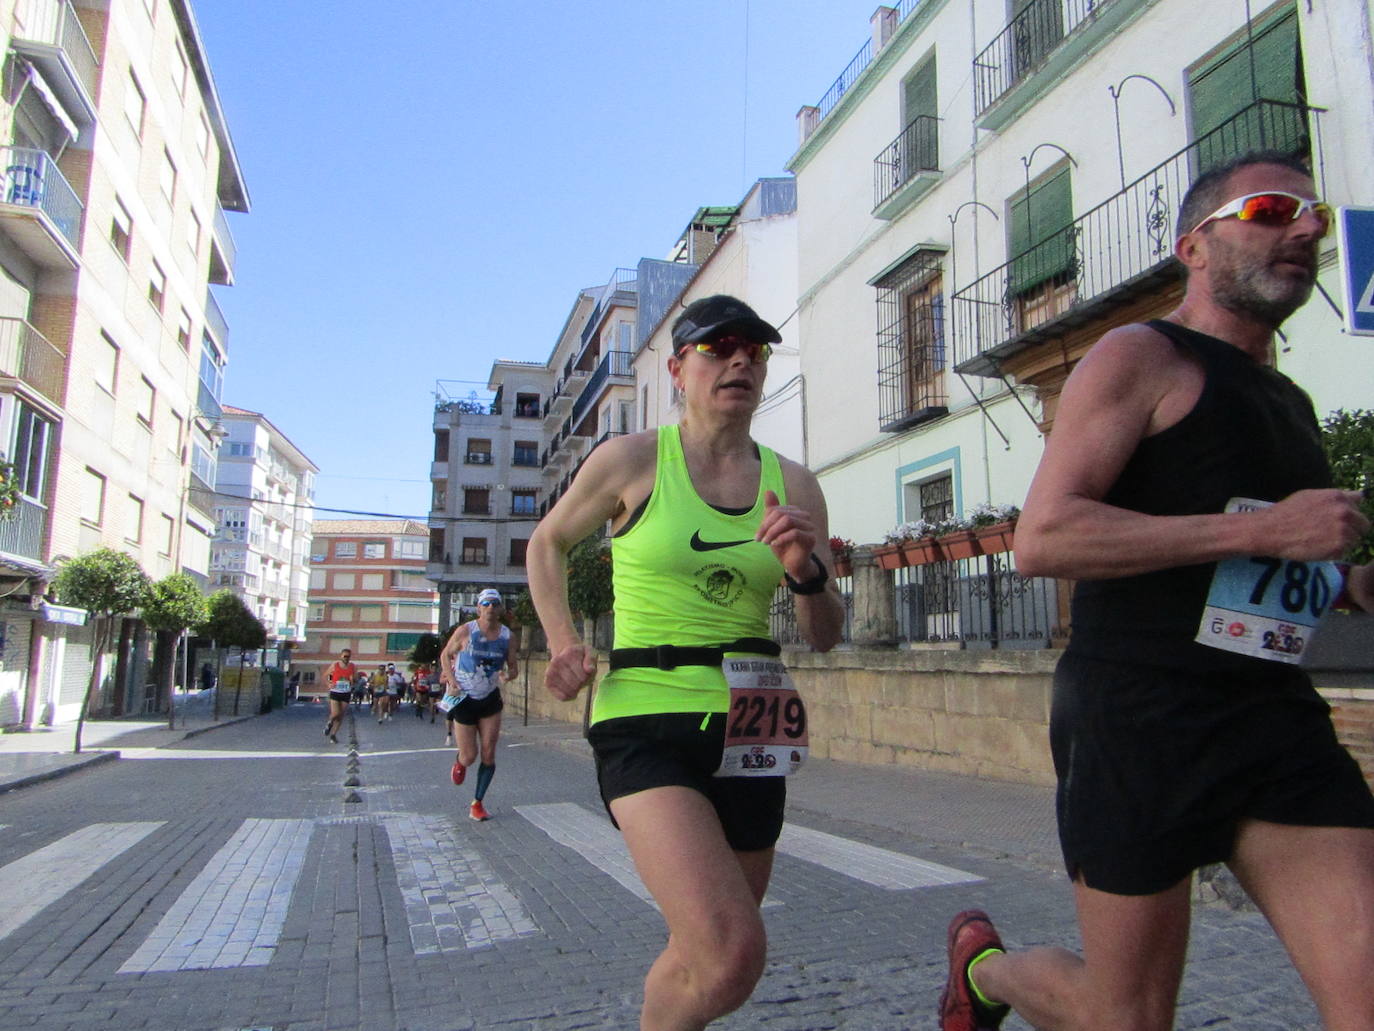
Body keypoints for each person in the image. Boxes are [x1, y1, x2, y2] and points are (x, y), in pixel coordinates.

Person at [938, 151, 1374, 1031]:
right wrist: (1264, 528)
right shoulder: (1141, 355)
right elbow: (1043, 538)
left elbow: (1255, 571)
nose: (1306, 227)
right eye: (1268, 209)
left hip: (1274, 717)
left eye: (1313, 213)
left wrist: (1352, 586)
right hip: (1140, 715)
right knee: (1124, 1016)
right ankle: (989, 973)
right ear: (1195, 246)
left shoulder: (1286, 398)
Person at [528, 295, 844, 1031]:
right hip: (643, 719)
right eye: (719, 346)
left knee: (702, 955)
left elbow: (825, 632)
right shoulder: (633, 460)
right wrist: (562, 639)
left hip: (754, 726)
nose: (741, 360)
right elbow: (547, 543)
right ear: (677, 370)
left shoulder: (796, 487)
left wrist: (805, 571)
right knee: (732, 949)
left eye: (755, 350)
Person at [437, 589, 517, 822]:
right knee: (470, 755)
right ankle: (460, 762)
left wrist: (508, 676)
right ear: (479, 608)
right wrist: (451, 681)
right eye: (486, 603)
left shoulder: (507, 636)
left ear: (500, 609)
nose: (491, 607)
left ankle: (477, 803)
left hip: (490, 699)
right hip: (464, 698)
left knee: (489, 754)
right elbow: (445, 656)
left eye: (495, 603)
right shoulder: (465, 631)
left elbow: (513, 666)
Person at [321, 648, 357, 744]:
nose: (346, 658)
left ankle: (333, 735)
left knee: (341, 716)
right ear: (341, 656)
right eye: (345, 656)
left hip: (346, 692)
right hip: (335, 691)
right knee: (335, 713)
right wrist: (328, 684)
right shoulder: (335, 665)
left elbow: (355, 678)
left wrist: (353, 680)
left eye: (348, 657)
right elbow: (325, 675)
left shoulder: (352, 666)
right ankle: (329, 723)